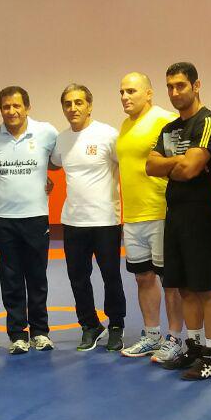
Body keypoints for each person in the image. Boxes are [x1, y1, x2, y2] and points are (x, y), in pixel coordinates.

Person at [146, 62, 211, 381]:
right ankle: (194, 349)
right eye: (170, 86)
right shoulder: (169, 128)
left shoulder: (208, 122)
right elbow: (150, 166)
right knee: (184, 287)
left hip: (200, 213)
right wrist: (178, 161)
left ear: (196, 85)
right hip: (175, 213)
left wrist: (175, 164)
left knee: (205, 288)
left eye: (180, 85)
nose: (174, 92)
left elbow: (191, 169)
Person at [0, 86, 59, 354]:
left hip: (36, 217)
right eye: (6, 107)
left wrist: (45, 178)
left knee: (37, 277)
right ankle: (17, 334)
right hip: (4, 219)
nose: (12, 111)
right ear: (0, 109)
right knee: (10, 278)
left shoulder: (46, 132)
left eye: (17, 106)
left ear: (27, 107)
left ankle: (40, 332)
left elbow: (57, 163)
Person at [114, 72, 185, 360]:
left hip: (160, 212)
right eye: (121, 92)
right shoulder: (124, 125)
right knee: (143, 277)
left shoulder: (165, 120)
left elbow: (184, 160)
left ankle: (175, 339)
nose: (125, 97)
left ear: (148, 93)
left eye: (131, 91)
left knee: (170, 281)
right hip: (132, 216)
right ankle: (152, 335)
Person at [51, 83, 126, 351]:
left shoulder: (108, 135)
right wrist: (44, 182)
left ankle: (116, 325)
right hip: (73, 221)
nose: (73, 108)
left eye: (79, 102)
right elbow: (51, 164)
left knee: (110, 276)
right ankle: (90, 325)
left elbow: (128, 166)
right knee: (77, 278)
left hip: (105, 220)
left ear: (89, 105)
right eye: (68, 104)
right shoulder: (61, 140)